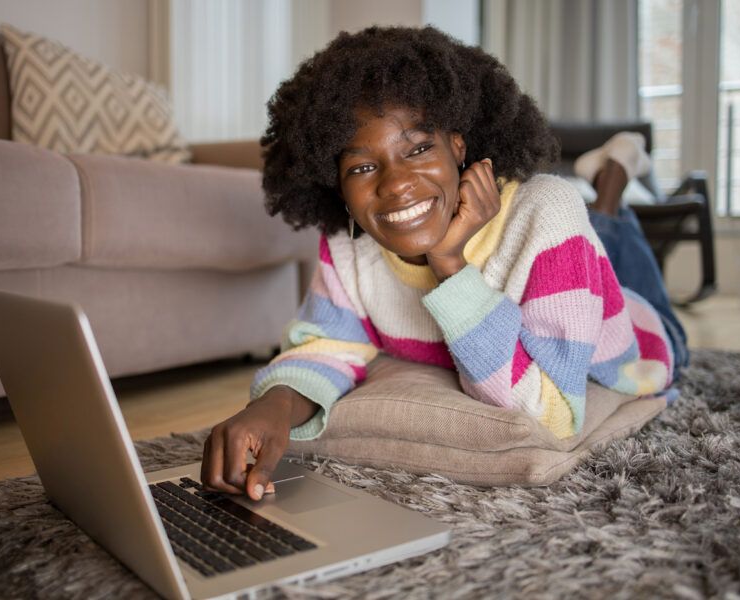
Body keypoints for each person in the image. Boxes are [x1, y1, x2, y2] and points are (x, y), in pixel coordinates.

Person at [200, 26, 689, 501]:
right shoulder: (350, 244)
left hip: (633, 327)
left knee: (606, 228)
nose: (394, 185)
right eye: (363, 167)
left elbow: (551, 415)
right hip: (558, 264)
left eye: (416, 149)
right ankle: (610, 179)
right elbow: (328, 343)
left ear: (458, 146)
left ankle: (616, 170)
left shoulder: (548, 214)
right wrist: (275, 403)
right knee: (599, 226)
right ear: (337, 185)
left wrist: (449, 264)